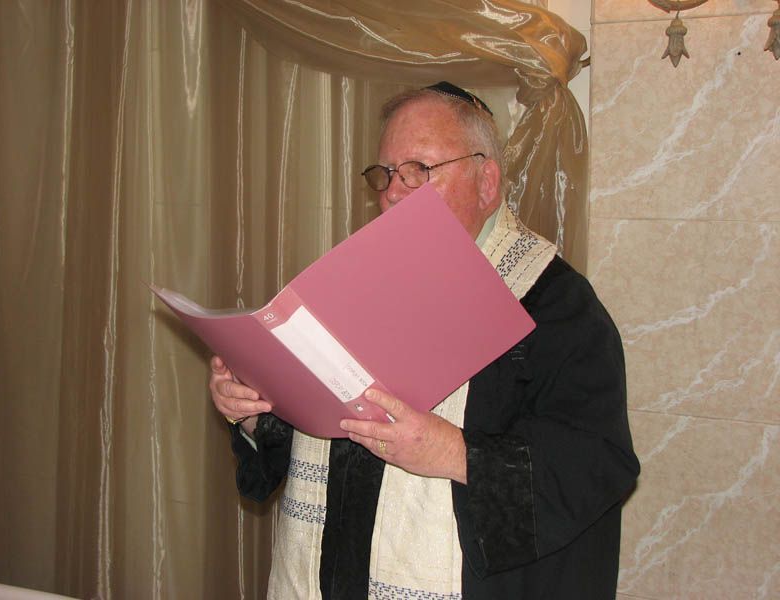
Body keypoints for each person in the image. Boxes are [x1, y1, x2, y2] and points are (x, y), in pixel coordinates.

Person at [209, 81, 640, 599]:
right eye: (386, 174)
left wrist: (454, 452)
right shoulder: (355, 287)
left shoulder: (554, 306)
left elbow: (597, 464)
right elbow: (328, 427)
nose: (393, 190)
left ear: (487, 182)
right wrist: (257, 413)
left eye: (420, 170)